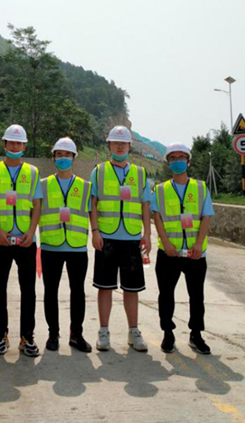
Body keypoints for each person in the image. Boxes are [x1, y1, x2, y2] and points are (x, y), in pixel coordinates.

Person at [90, 125, 152, 352]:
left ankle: (133, 332)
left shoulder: (140, 173)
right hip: (106, 238)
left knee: (131, 288)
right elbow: (93, 203)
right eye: (115, 143)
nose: (119, 147)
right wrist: (95, 231)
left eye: (123, 143)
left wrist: (147, 234)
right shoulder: (99, 171)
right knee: (104, 287)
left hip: (132, 238)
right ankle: (103, 332)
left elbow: (145, 206)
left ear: (129, 146)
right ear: (109, 146)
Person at [0, 124, 42, 357]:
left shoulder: (33, 172)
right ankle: (1, 335)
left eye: (19, 143)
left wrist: (31, 231)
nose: (15, 146)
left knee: (28, 290)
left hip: (26, 241)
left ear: (24, 146)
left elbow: (36, 204)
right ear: (4, 144)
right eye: (11, 142)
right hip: (0, 240)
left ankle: (27, 337)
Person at [152, 143, 214, 355]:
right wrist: (166, 244)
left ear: (188, 161)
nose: (177, 162)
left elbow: (206, 217)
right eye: (173, 158)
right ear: (168, 163)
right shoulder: (160, 190)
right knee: (166, 295)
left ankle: (196, 334)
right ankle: (168, 333)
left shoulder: (200, 187)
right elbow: (157, 218)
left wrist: (198, 244)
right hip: (169, 253)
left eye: (181, 158)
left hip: (195, 254)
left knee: (197, 296)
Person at [39, 137, 93, 353]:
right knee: (50, 291)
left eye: (67, 155)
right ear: (53, 158)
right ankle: (53, 334)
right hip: (50, 246)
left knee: (77, 292)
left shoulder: (85, 187)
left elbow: (93, 212)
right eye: (59, 155)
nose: (63, 158)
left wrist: (96, 232)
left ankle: (76, 334)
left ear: (74, 158)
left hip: (77, 247)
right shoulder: (42, 185)